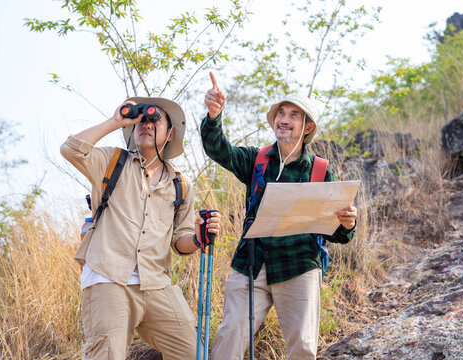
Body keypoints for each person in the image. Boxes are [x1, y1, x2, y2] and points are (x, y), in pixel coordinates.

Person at [201, 73, 357, 360]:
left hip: (299, 265)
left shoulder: (320, 171)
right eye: (280, 114)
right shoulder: (256, 160)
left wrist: (347, 223)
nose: (283, 120)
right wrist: (214, 116)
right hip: (251, 263)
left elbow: (337, 231)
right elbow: (218, 149)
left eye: (293, 115)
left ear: (307, 126)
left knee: (303, 348)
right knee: (229, 338)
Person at [61, 96, 221, 360]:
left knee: (193, 354)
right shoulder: (112, 161)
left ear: (170, 134)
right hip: (108, 277)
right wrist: (116, 121)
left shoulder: (181, 184)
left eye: (154, 120)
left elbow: (181, 240)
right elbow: (71, 149)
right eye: (141, 120)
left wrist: (199, 238)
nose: (146, 124)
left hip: (156, 284)